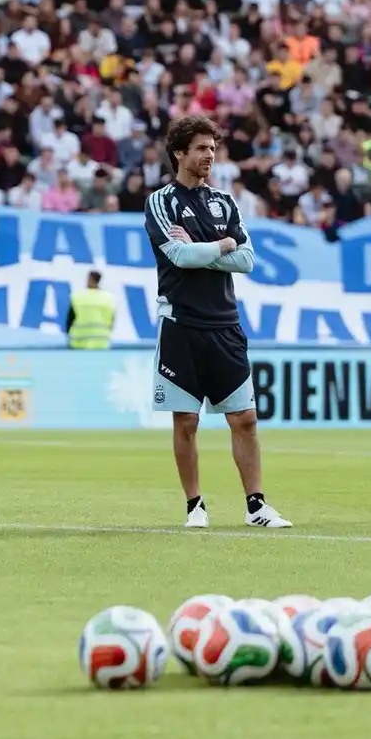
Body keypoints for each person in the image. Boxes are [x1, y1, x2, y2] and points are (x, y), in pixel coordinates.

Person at [143, 114, 292, 529]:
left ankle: (257, 506)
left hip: (225, 325)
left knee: (244, 418)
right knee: (186, 421)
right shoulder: (161, 202)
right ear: (179, 153)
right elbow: (178, 256)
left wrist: (207, 248)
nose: (209, 155)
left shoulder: (224, 202)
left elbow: (247, 260)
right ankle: (195, 507)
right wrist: (222, 244)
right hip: (181, 324)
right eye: (201, 148)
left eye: (213, 148)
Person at [65, 270, 115, 349]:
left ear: (89, 279)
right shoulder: (108, 299)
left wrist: (68, 334)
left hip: (79, 341)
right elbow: (111, 320)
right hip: (101, 342)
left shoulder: (78, 297)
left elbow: (70, 320)